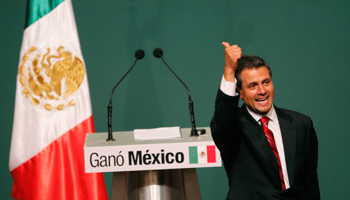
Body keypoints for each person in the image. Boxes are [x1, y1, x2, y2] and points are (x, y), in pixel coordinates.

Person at [210, 42, 320, 200]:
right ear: (240, 92)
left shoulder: (301, 124)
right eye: (253, 85)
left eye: (266, 82)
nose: (262, 91)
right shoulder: (234, 127)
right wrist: (229, 70)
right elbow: (221, 124)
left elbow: (310, 185)